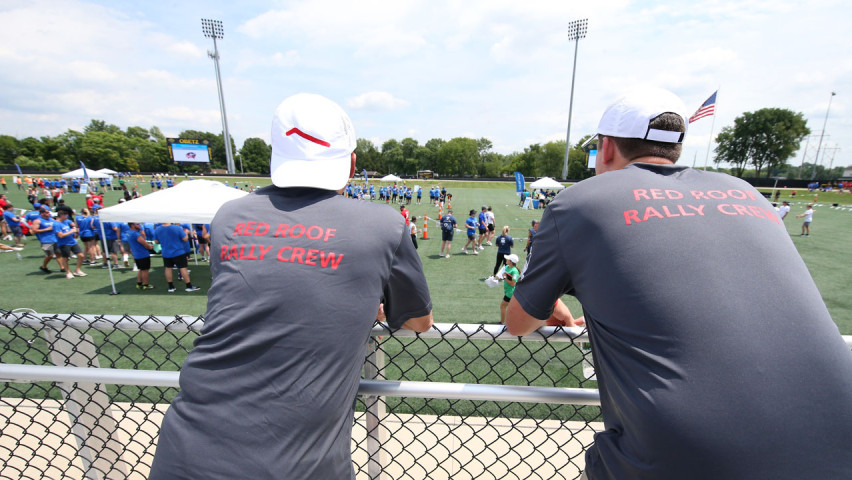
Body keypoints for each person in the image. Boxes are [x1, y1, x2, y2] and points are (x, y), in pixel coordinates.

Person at [505, 87, 852, 479]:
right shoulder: (746, 192)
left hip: (687, 453)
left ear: (605, 149)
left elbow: (519, 323)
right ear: (676, 148)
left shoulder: (578, 202)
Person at [149, 93, 433, 480]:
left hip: (185, 451)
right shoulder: (384, 224)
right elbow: (419, 320)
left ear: (275, 156)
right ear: (350, 162)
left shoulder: (229, 215)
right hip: (296, 464)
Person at [154, 222, 199, 292]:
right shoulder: (177, 228)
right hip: (178, 252)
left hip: (166, 253)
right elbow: (185, 239)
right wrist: (186, 233)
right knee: (183, 268)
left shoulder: (158, 229)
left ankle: (171, 287)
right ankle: (188, 286)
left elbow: (156, 241)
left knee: (168, 268)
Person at [54, 210, 87, 278]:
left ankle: (77, 270)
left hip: (72, 242)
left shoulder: (67, 221)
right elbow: (61, 235)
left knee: (81, 255)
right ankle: (68, 272)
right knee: (65, 258)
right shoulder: (56, 224)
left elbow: (74, 225)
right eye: (66, 215)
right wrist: (71, 231)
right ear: (61, 215)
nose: (67, 216)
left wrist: (74, 229)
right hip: (64, 243)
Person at [126, 222, 154, 289]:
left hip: (136, 254)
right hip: (142, 254)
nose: (139, 225)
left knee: (141, 269)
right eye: (138, 224)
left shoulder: (128, 232)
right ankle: (146, 284)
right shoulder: (136, 234)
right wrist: (150, 247)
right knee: (145, 270)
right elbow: (144, 244)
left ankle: (139, 283)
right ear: (132, 225)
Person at [498, 254, 520, 325]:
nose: (506, 260)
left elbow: (512, 283)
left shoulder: (514, 271)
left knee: (503, 306)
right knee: (512, 309)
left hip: (510, 293)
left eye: (507, 259)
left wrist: (504, 277)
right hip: (508, 291)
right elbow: (501, 275)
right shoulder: (507, 267)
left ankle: (502, 322)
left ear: (511, 261)